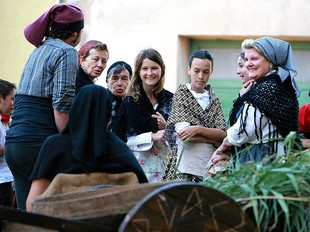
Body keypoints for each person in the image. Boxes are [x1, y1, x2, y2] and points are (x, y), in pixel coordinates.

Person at [5, 3, 84, 211]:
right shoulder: (67, 52)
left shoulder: (38, 50)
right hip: (38, 145)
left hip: (15, 144)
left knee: (26, 216)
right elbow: (61, 105)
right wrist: (72, 144)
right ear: (76, 32)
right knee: (50, 214)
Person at [26, 85, 148, 212]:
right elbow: (144, 197)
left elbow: (32, 205)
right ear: (108, 115)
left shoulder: (55, 146)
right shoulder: (120, 149)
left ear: (74, 109)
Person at [211, 37, 300, 166]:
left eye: (254, 59)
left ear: (270, 61)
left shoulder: (268, 87)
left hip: (263, 159)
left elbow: (244, 130)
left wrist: (223, 147)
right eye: (247, 59)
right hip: (270, 156)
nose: (248, 64)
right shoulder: (277, 84)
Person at [161, 50, 227, 182]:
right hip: (185, 165)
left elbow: (223, 134)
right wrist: (213, 140)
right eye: (196, 71)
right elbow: (184, 135)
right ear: (189, 70)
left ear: (211, 72)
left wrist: (198, 129)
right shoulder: (181, 95)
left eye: (206, 72)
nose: (201, 76)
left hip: (209, 165)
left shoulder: (214, 99)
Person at [110, 48, 173, 183]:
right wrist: (151, 136)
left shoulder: (171, 99)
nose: (150, 73)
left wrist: (166, 127)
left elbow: (181, 138)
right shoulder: (130, 101)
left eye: (154, 68)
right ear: (138, 72)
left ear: (162, 70)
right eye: (145, 68)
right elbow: (121, 140)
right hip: (139, 169)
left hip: (166, 168)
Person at [0, 80, 16, 210]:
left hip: (8, 180)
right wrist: (13, 148)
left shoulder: (6, 122)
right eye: (12, 99)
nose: (13, 104)